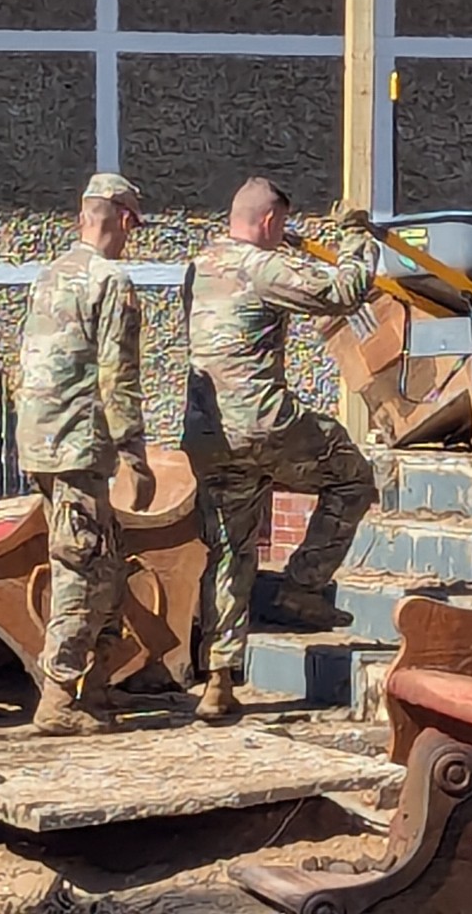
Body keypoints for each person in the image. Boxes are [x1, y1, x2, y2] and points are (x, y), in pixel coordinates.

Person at [183, 178, 380, 720]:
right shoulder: (262, 267)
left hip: (207, 432)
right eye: (282, 227)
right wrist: (357, 238)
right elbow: (344, 292)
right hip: (264, 424)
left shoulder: (202, 267)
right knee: (353, 477)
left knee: (229, 548)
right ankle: (302, 587)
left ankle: (218, 680)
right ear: (270, 223)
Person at [12, 172, 156, 736]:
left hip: (41, 443)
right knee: (80, 568)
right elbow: (118, 376)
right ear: (123, 221)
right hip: (79, 447)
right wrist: (135, 453)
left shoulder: (49, 278)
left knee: (105, 562)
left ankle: (94, 686)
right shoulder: (110, 281)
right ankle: (58, 696)